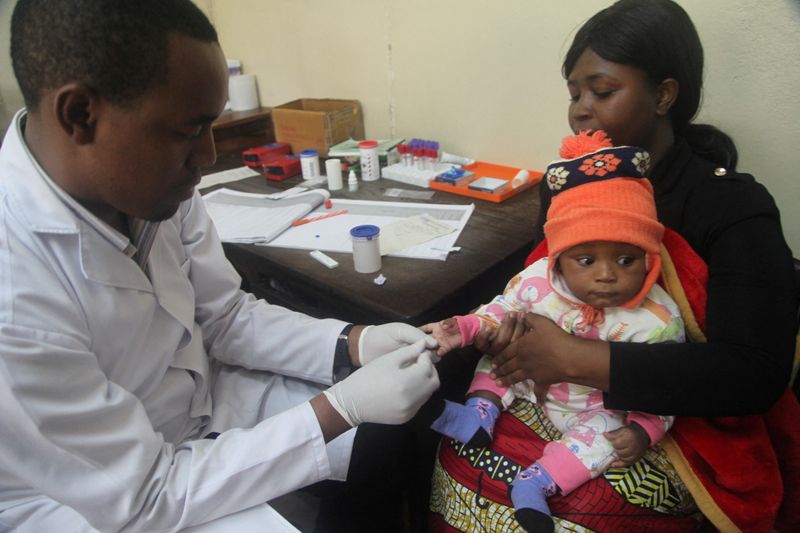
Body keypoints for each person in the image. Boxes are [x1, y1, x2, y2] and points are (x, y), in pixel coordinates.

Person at [0, 1, 441, 531]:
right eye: (189, 131)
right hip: (101, 500)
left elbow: (224, 316)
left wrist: (355, 342)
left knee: (386, 436)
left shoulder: (155, 189)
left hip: (200, 404)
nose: (209, 156)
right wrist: (339, 409)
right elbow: (147, 498)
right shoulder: (14, 294)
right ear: (80, 115)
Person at [429, 0, 798, 531]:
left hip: (660, 417)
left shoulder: (731, 207)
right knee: (442, 441)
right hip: (545, 386)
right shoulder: (572, 188)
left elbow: (754, 374)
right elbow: (543, 288)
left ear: (664, 95)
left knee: (570, 512)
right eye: (575, 94)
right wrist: (493, 334)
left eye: (601, 92)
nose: (581, 109)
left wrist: (577, 359)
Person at [424, 131, 685, 532]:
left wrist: (644, 430)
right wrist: (464, 328)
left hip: (596, 406)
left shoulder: (657, 320)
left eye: (626, 259)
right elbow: (501, 309)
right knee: (497, 354)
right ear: (559, 259)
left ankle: (537, 483)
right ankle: (480, 413)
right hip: (527, 380)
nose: (606, 275)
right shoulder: (539, 282)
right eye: (585, 259)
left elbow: (663, 385)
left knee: (605, 437)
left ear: (649, 258)